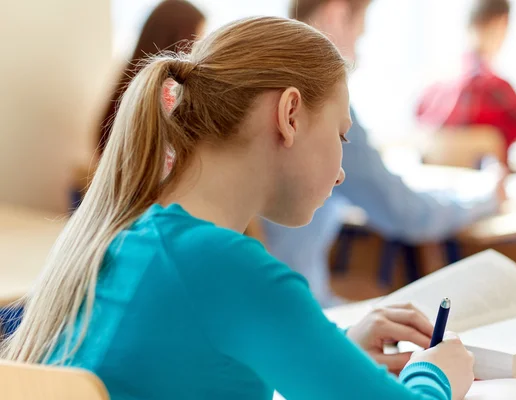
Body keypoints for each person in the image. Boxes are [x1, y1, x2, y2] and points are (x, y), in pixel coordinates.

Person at [0, 16, 474, 400]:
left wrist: (334, 356)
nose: (341, 170)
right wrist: (436, 375)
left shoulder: (126, 238)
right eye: (341, 135)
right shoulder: (228, 267)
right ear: (289, 115)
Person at [263, 0, 504, 307]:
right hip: (295, 309)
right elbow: (405, 212)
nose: (360, 46)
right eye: (361, 30)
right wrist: (488, 196)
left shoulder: (260, 87)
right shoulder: (317, 105)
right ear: (336, 14)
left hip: (259, 308)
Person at [416, 0, 516, 157]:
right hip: (490, 177)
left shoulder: (434, 87)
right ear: (500, 23)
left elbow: (418, 124)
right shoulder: (494, 88)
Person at [97, 0, 206, 155]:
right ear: (180, 40)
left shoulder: (125, 89)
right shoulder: (169, 101)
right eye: (197, 39)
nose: (197, 50)